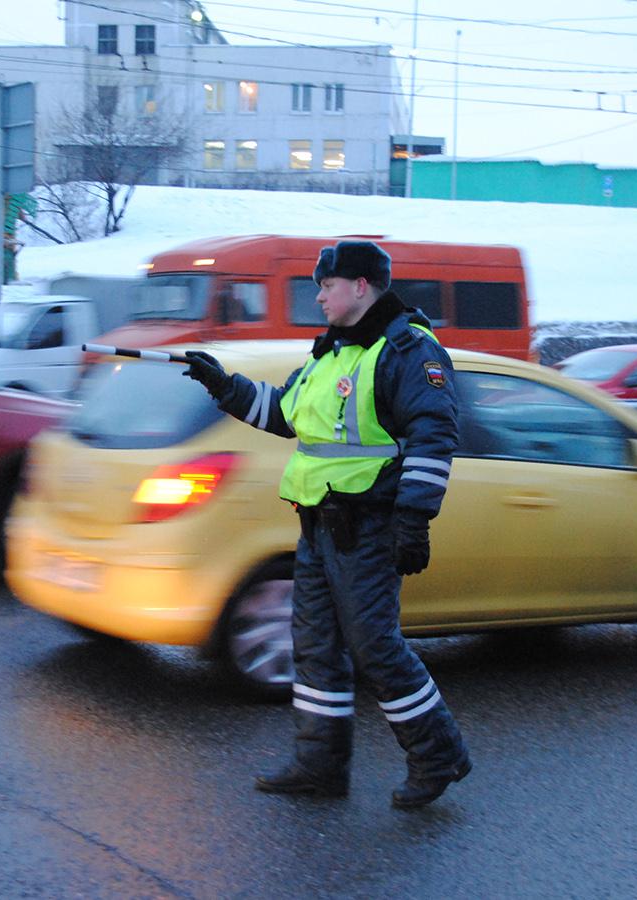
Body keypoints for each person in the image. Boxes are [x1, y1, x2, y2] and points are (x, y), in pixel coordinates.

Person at [181, 240, 471, 809]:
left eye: (327, 286)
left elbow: (435, 433)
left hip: (370, 527)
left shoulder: (408, 350)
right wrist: (225, 386)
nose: (319, 297)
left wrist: (414, 520)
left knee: (375, 649)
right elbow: (286, 414)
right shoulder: (330, 354)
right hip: (317, 526)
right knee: (313, 649)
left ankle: (438, 755)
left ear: (361, 287)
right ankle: (320, 765)